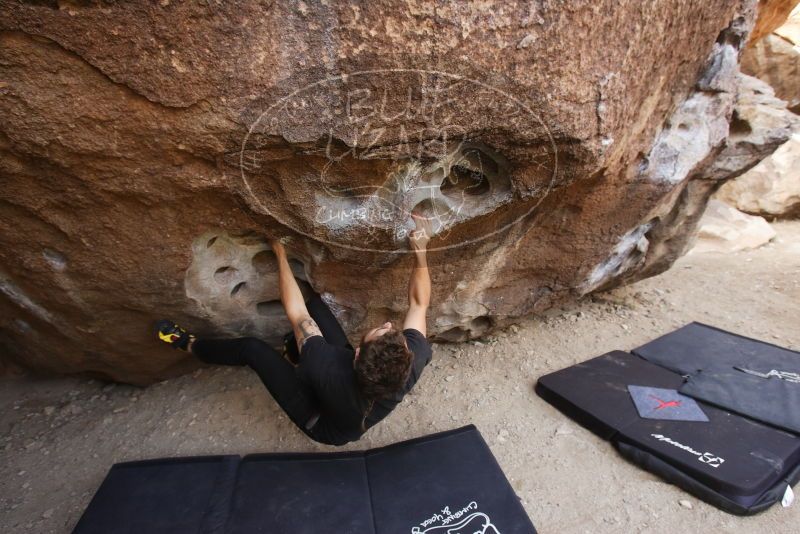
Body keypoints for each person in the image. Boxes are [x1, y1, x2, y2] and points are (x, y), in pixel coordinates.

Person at [155, 214, 433, 446]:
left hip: (320, 420)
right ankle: (294, 353)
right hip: (353, 392)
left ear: (357, 355)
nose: (386, 324)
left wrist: (279, 253)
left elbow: (296, 314)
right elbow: (419, 303)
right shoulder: (413, 357)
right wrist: (421, 252)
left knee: (252, 349)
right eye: (389, 329)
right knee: (317, 306)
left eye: (381, 331)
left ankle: (190, 345)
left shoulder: (326, 366)